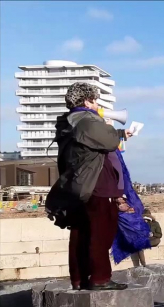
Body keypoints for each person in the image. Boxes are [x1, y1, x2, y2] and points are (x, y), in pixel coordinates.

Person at [45, 82, 133, 291]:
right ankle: (100, 278)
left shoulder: (70, 121)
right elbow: (109, 141)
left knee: (81, 232)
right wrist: (109, 126)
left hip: (79, 184)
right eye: (95, 100)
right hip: (96, 184)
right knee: (101, 232)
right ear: (87, 100)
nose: (97, 104)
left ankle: (80, 279)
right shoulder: (86, 120)